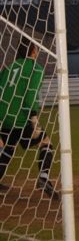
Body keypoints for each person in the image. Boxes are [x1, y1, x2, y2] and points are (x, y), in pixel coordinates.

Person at [0, 40, 58, 199]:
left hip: (4, 117)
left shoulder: (8, 67)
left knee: (8, 147)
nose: (38, 51)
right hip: (22, 118)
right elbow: (30, 95)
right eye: (37, 48)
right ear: (33, 51)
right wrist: (34, 118)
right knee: (46, 143)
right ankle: (43, 179)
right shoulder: (35, 69)